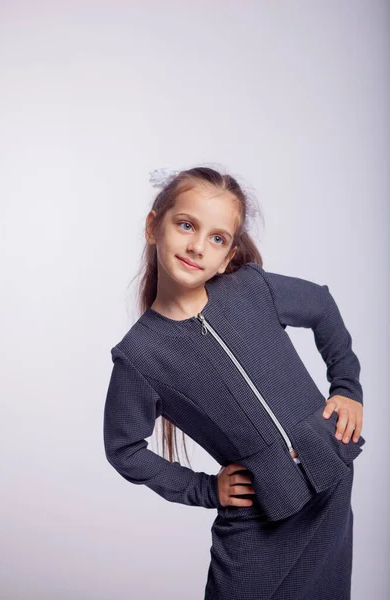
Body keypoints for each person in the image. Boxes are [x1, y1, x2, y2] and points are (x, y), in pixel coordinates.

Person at [103, 166, 365, 600]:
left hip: (330, 474)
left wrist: (347, 389)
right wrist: (206, 489)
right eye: (186, 225)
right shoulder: (139, 355)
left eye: (217, 238)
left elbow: (321, 304)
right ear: (154, 227)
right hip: (260, 511)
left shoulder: (251, 289)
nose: (197, 246)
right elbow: (123, 447)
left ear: (228, 256)